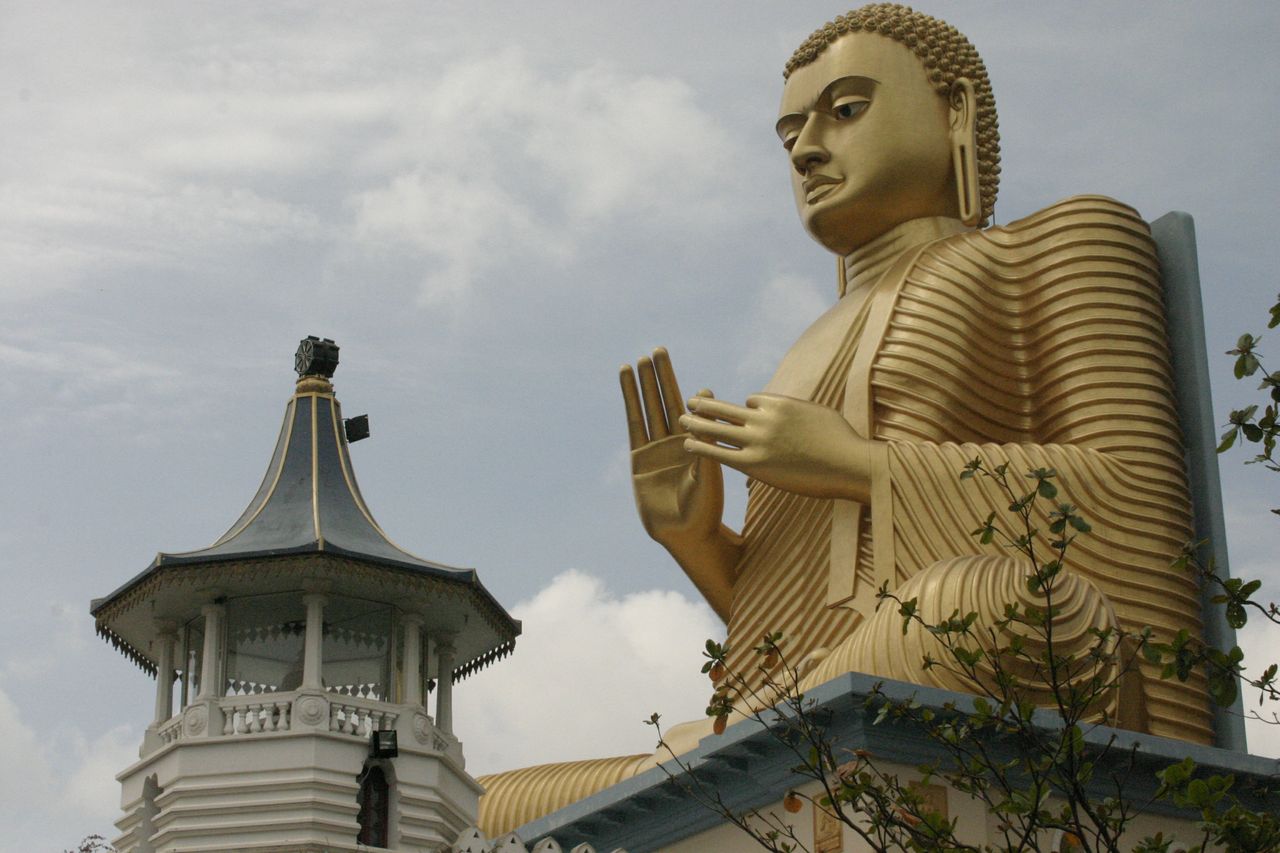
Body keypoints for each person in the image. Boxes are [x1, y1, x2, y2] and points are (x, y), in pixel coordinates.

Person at [481, 3, 1213, 836]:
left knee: (995, 601)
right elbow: (801, 625)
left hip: (995, 641)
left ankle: (745, 747)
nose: (805, 148)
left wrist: (860, 465)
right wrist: (696, 540)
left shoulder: (1061, 244)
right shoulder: (806, 344)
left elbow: (1145, 506)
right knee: (480, 804)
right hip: (820, 686)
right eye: (789, 130)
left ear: (956, 109)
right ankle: (742, 750)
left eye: (846, 109)